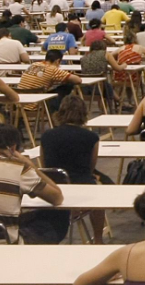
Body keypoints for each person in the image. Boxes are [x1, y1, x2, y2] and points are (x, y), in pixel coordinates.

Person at [40, 94, 105, 242]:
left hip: (54, 186)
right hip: (81, 184)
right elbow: (91, 167)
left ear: (61, 112)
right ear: (84, 113)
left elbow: (45, 166)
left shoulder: (46, 136)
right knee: (101, 192)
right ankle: (98, 239)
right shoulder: (91, 137)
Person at [17, 49, 83, 112]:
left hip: (19, 103)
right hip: (36, 104)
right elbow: (78, 80)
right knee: (68, 85)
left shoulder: (34, 65)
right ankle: (59, 113)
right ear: (58, 61)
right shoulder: (53, 69)